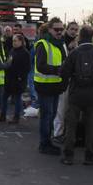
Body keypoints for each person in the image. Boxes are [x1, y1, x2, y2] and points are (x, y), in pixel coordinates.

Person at [57, 25, 93, 165]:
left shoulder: (74, 53)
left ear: (80, 36)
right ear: (92, 36)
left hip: (76, 93)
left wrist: (62, 88)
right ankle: (89, 156)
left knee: (71, 125)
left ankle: (68, 155)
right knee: (91, 126)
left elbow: (64, 73)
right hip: (92, 94)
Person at [34, 17, 67, 155]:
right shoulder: (43, 44)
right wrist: (58, 69)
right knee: (47, 116)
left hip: (55, 85)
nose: (59, 32)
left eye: (61, 29)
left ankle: (48, 142)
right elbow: (40, 66)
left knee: (52, 115)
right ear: (49, 29)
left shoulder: (61, 44)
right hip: (44, 85)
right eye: (56, 29)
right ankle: (44, 144)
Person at [0, 32, 31, 123]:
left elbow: (27, 68)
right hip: (9, 78)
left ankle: (16, 117)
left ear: (21, 41)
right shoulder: (12, 50)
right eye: (13, 41)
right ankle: (2, 115)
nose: (14, 42)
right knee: (4, 97)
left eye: (16, 41)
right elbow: (8, 62)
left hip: (18, 80)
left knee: (17, 98)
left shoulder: (25, 53)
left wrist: (20, 77)